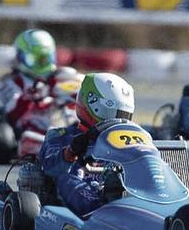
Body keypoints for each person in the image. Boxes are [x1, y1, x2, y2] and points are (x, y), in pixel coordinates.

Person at [39, 73, 135, 217]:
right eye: (112, 113)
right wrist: (70, 152)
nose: (118, 120)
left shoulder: (128, 139)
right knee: (66, 179)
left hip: (119, 188)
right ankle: (99, 213)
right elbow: (48, 166)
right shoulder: (62, 136)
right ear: (91, 105)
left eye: (123, 115)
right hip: (82, 191)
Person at [0, 29, 78, 133]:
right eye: (36, 59)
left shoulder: (64, 75)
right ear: (21, 56)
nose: (42, 63)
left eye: (45, 58)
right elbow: (11, 115)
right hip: (32, 134)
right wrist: (33, 96)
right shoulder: (11, 82)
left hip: (67, 127)